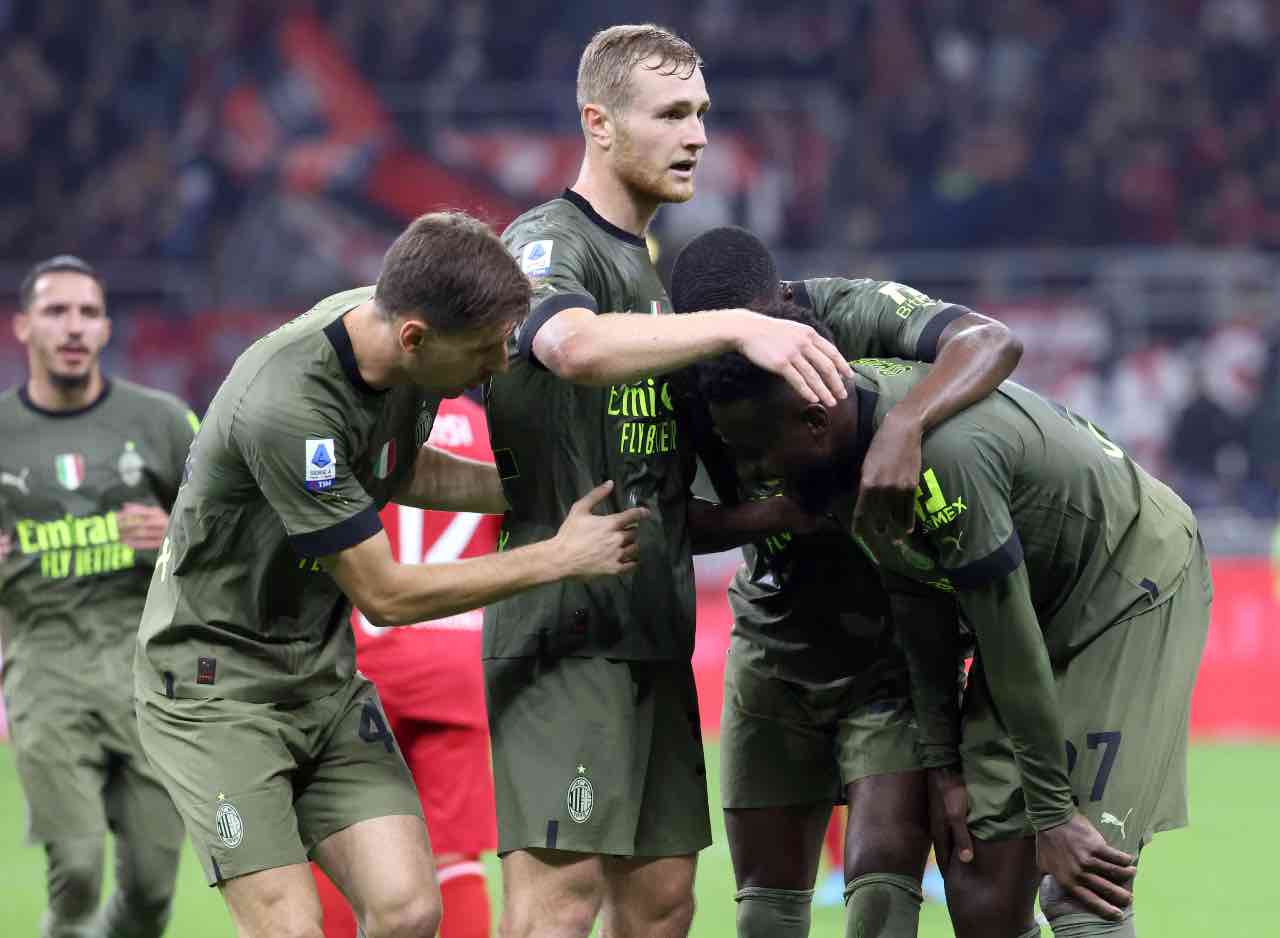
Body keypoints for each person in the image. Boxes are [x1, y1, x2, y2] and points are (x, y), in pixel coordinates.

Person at [133, 211, 650, 938]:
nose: (496, 367)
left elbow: (393, 467)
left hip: (320, 674)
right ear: (415, 336)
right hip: (216, 687)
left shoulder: (407, 340)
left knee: (408, 911)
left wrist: (537, 493)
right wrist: (557, 557)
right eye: (483, 350)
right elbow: (386, 593)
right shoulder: (289, 408)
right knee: (290, 927)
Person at [484, 24, 853, 938]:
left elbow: (652, 498)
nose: (696, 135)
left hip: (652, 633)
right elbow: (567, 346)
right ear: (598, 123)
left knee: (661, 909)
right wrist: (738, 325)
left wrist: (774, 512)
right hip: (565, 637)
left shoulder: (651, 280)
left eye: (702, 114)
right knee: (557, 909)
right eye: (671, 114)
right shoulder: (547, 240)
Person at [699, 301, 1212, 938]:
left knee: (1080, 884)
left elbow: (1007, 636)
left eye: (754, 453)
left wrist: (1051, 813)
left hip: (1125, 587)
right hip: (1026, 599)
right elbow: (918, 600)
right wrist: (944, 763)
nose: (752, 475)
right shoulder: (843, 459)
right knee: (980, 889)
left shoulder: (939, 460)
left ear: (811, 422)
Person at [668, 226, 1021, 938]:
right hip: (773, 635)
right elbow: (658, 520)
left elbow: (992, 341)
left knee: (880, 881)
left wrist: (905, 426)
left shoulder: (850, 314)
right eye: (718, 340)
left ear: (785, 304)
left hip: (892, 634)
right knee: (765, 901)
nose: (741, 355)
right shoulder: (682, 369)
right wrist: (780, 514)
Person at [0, 255, 197, 938]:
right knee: (78, 872)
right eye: (56, 311)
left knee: (150, 890)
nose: (73, 326)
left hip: (148, 676)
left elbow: (228, 536)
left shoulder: (163, 422)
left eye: (87, 312)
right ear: (23, 326)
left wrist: (174, 530)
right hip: (44, 671)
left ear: (107, 328)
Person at [310, 393, 500, 938]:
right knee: (454, 855)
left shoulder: (362, 419)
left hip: (364, 661)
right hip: (458, 662)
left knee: (338, 839)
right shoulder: (488, 429)